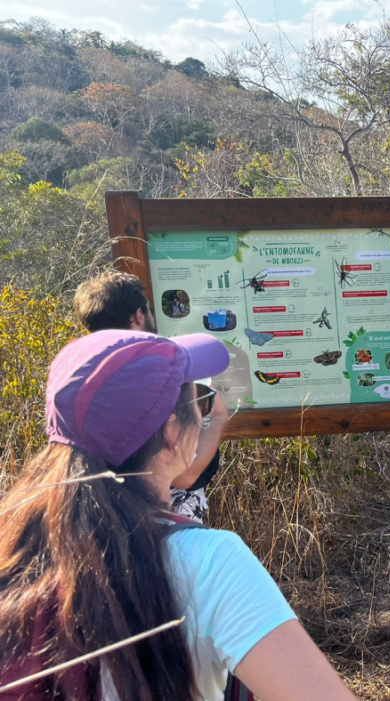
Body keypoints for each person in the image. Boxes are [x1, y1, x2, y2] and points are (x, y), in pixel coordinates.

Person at [0, 331, 358, 701]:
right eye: (198, 399)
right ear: (172, 432)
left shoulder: (17, 548)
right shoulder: (210, 563)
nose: (203, 408)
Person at [74, 270, 224, 521]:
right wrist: (219, 416)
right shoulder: (156, 377)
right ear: (139, 315)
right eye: (150, 310)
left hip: (105, 514)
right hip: (163, 521)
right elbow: (184, 477)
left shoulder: (81, 375)